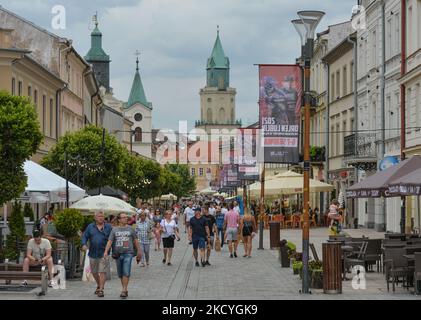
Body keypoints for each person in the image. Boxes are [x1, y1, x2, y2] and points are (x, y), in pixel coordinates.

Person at [104, 212, 141, 299]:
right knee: (120, 273)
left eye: (126, 217)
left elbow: (135, 240)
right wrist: (106, 251)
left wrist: (139, 251)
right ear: (119, 219)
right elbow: (110, 241)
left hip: (128, 253)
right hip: (118, 254)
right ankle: (124, 288)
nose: (126, 219)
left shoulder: (131, 229)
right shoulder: (114, 230)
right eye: (123, 218)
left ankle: (124, 290)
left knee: (126, 271)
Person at [81, 211, 112, 297]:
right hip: (93, 253)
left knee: (102, 271)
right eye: (99, 216)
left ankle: (101, 289)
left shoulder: (108, 227)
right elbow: (85, 236)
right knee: (94, 272)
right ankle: (99, 285)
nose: (101, 218)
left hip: (104, 253)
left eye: (102, 216)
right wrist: (83, 244)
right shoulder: (90, 226)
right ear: (95, 218)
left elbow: (112, 238)